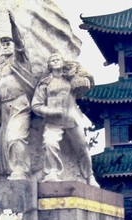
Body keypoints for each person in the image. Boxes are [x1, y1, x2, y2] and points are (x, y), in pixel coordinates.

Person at [31, 53, 99, 186]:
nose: (55, 62)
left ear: (63, 62)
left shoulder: (71, 78)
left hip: (71, 118)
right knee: (49, 144)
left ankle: (89, 175)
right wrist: (49, 111)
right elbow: (36, 105)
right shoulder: (45, 83)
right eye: (52, 60)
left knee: (82, 147)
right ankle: (53, 172)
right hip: (53, 120)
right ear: (49, 65)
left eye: (58, 59)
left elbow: (88, 84)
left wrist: (83, 75)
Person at [0, 20, 34, 181]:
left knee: (15, 137)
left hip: (19, 104)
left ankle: (22, 169)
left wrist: (13, 24)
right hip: (3, 107)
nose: (6, 45)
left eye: (9, 42)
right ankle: (9, 170)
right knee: (3, 144)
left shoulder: (20, 59)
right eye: (3, 44)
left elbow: (20, 42)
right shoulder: (0, 67)